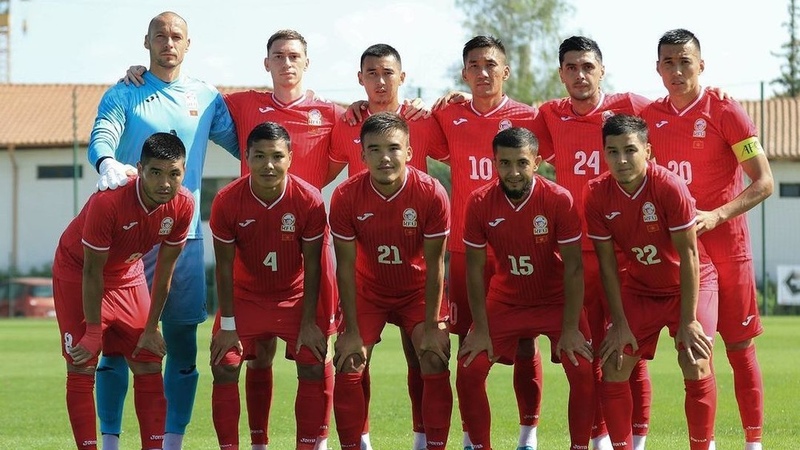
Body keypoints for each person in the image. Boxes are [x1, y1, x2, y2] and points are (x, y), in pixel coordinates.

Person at [87, 11, 240, 450]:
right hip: (128, 241)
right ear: (147, 42)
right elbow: (103, 133)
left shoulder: (206, 97)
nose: (168, 43)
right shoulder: (126, 91)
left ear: (188, 44)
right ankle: (111, 441)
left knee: (181, 343)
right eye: (160, 36)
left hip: (183, 237)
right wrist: (106, 162)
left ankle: (171, 441)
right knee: (116, 345)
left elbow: (247, 142)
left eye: (176, 36)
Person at [640, 29, 774, 450]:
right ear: (657, 68)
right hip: (682, 253)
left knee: (739, 348)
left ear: (701, 65)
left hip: (728, 247)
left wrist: (717, 215)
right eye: (668, 62)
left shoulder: (725, 109)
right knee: (697, 350)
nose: (677, 71)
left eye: (685, 61)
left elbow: (765, 182)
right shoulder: (648, 116)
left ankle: (753, 444)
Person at [327, 42, 449, 450]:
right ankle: (356, 444)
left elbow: (436, 265)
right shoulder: (346, 195)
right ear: (361, 155)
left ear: (410, 152)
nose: (385, 157)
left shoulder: (431, 191)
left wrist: (432, 324)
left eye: (394, 148)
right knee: (349, 358)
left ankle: (427, 443)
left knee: (431, 355)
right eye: (375, 150)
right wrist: (348, 329)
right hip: (369, 289)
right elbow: (345, 267)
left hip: (417, 288)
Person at [534, 36, 653, 450]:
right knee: (588, 355)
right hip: (576, 255)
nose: (580, 74)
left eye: (587, 66)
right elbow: (502, 129)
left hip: (625, 254)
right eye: (571, 67)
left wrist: (709, 94)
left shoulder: (630, 106)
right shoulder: (549, 115)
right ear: (561, 73)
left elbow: (673, 112)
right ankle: (599, 440)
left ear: (602, 70)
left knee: (629, 350)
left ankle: (636, 441)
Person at [431, 35, 544, 450]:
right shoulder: (448, 115)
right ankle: (471, 436)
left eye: (491, 64)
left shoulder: (529, 117)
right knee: (468, 342)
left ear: (505, 71)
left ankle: (528, 436)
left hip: (518, 249)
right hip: (466, 249)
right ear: (464, 73)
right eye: (474, 65)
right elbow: (406, 127)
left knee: (527, 340)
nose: (483, 72)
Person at [457, 127, 596, 450]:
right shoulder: (479, 201)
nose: (514, 172)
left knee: (583, 368)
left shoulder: (558, 199)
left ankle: (578, 447)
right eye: (505, 163)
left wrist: (571, 329)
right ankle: (481, 446)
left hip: (555, 300)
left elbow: (574, 267)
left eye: (522, 162)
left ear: (537, 162)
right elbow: (474, 269)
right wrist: (479, 329)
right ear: (494, 163)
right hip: (507, 300)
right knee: (469, 369)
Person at [584, 114, 718, 449]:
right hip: (642, 289)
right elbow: (607, 265)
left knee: (694, 360)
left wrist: (688, 320)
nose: (621, 160)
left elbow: (689, 255)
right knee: (614, 363)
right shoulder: (597, 194)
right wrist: (618, 322)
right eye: (612, 152)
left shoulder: (669, 185)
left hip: (690, 284)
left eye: (630, 150)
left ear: (648, 150)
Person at [53, 132, 194, 450]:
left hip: (127, 274)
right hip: (78, 271)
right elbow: (92, 270)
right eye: (155, 172)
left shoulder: (184, 205)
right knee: (81, 362)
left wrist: (152, 327)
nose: (165, 183)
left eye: (174, 174)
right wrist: (92, 331)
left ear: (184, 172)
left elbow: (165, 270)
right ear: (140, 169)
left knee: (148, 358)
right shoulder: (109, 202)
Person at [208, 122, 330, 450]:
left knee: (313, 361)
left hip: (293, 295)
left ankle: (307, 446)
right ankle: (251, 444)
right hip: (246, 296)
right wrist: (228, 327)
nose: (269, 164)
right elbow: (223, 267)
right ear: (246, 157)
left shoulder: (309, 199)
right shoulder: (227, 200)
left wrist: (309, 322)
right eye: (259, 156)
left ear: (290, 157)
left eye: (277, 156)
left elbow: (314, 265)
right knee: (224, 364)